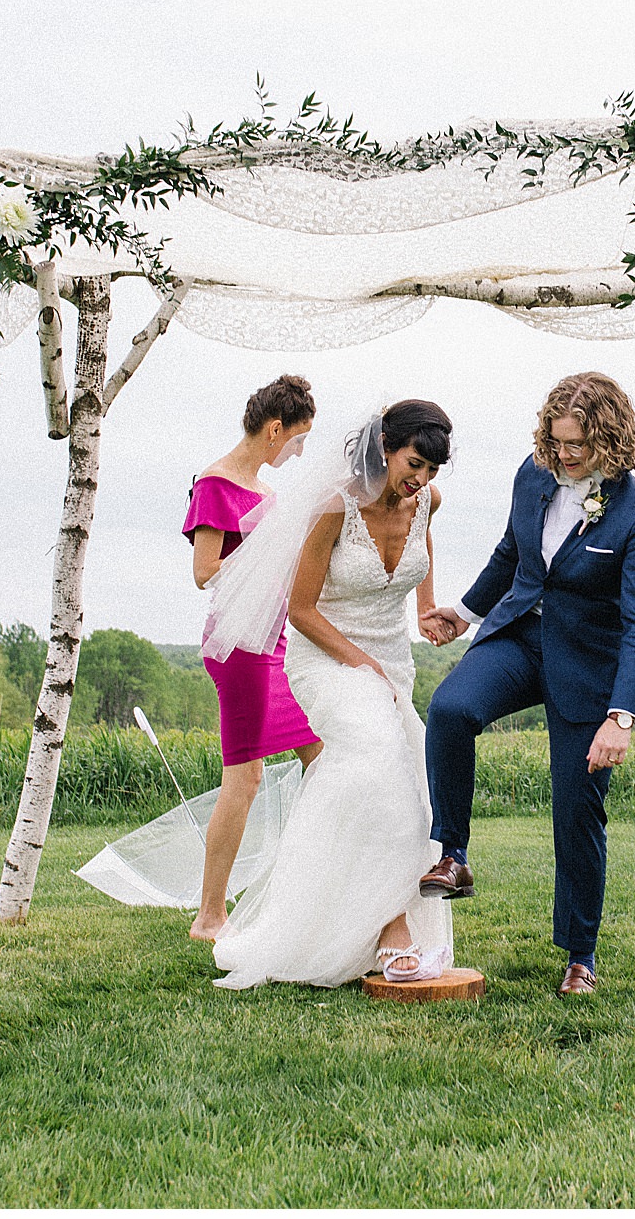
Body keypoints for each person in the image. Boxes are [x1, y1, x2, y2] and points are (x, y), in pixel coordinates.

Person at [419, 372, 635, 998]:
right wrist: (467, 613)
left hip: (588, 667)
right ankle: (453, 853)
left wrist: (623, 716)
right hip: (520, 639)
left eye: (577, 445)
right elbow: (513, 553)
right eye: (556, 442)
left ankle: (579, 955)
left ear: (609, 439)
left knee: (577, 809)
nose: (563, 455)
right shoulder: (532, 476)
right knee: (450, 709)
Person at [201, 401, 459, 988]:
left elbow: (422, 555)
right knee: (375, 760)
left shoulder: (427, 504)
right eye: (413, 463)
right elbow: (300, 610)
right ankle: (393, 926)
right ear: (385, 447)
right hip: (326, 659)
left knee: (401, 776)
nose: (419, 479)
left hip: (393, 663)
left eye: (431, 471)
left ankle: (326, 920)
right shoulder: (332, 507)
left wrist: (425, 611)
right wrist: (361, 662)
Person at [182, 374, 325, 942]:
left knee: (323, 755)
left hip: (277, 642)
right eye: (298, 439)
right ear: (274, 431)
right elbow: (203, 573)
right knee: (244, 777)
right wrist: (264, 563)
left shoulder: (268, 493)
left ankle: (328, 889)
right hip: (237, 648)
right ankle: (210, 914)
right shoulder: (216, 485)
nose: (300, 451)